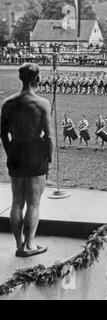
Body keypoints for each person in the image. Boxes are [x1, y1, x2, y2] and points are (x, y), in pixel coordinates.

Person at [0, 63, 54, 258]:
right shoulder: (42, 103)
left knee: (16, 202)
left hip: (16, 149)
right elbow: (48, 136)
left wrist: (10, 152)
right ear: (37, 80)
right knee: (33, 203)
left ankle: (18, 244)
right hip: (34, 151)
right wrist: (50, 157)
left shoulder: (8, 103)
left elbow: (3, 135)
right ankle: (29, 245)